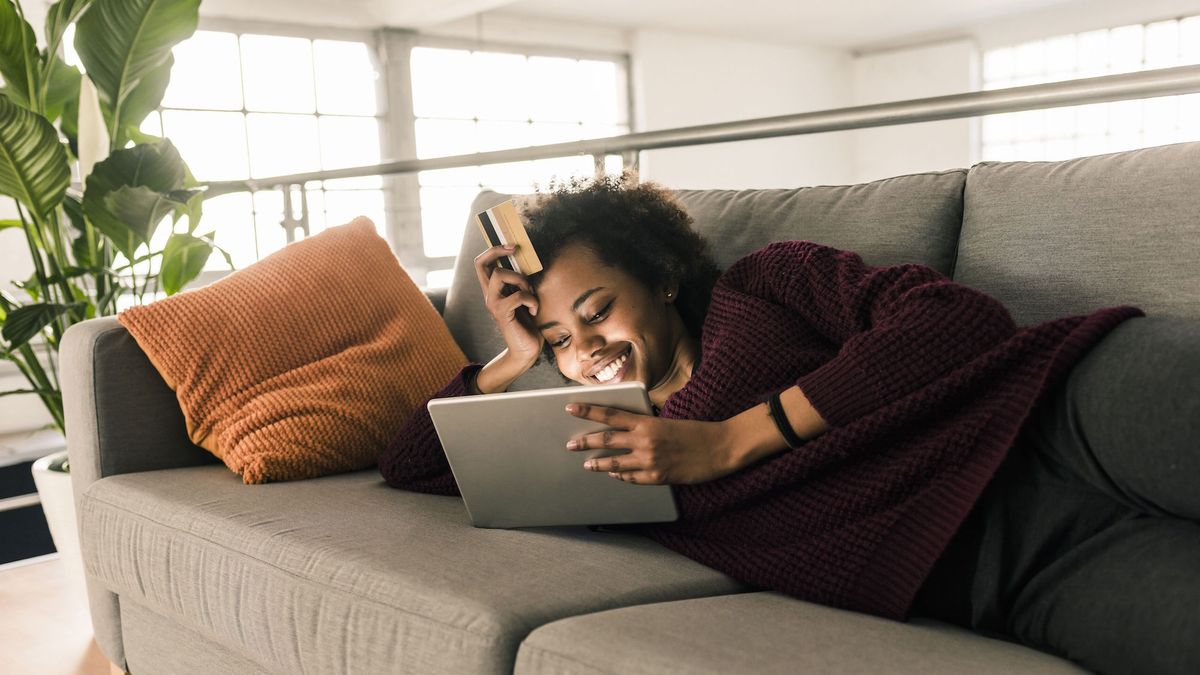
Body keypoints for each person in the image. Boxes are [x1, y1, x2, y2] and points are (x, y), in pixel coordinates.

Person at [380, 174, 1197, 674]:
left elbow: (954, 320)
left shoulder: (762, 287)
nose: (586, 347)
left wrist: (735, 437)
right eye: (562, 336)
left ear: (662, 276)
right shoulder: (590, 446)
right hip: (1005, 563)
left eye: (596, 311)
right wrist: (514, 356)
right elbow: (410, 464)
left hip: (1062, 405)